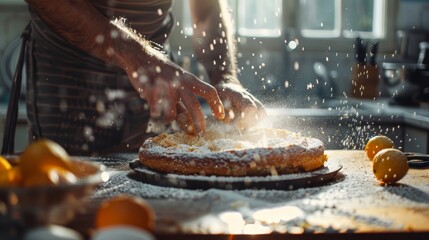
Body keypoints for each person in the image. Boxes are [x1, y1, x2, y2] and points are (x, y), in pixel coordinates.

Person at [23, 0, 266, 155]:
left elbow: (205, 10)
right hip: (68, 83)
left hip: (158, 87)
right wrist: (137, 58)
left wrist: (224, 76)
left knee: (154, 192)